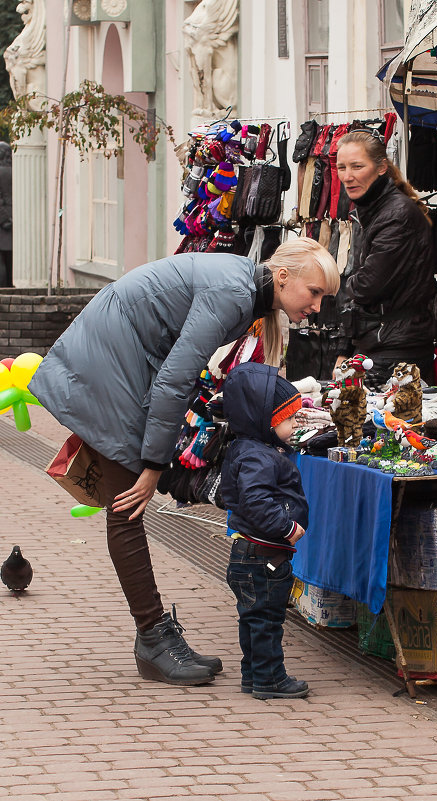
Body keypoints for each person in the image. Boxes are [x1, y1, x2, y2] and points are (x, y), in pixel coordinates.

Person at [29, 238, 339, 687]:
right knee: (129, 503)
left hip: (118, 356)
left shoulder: (245, 287)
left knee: (129, 499)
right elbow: (174, 378)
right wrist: (155, 464)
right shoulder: (235, 294)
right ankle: (152, 639)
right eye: (314, 293)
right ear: (284, 277)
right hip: (112, 365)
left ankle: (154, 637)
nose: (316, 306)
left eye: (323, 298)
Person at [221, 361, 309, 699]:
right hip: (263, 556)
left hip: (252, 554)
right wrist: (286, 527)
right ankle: (269, 679)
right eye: (287, 421)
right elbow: (257, 501)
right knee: (266, 620)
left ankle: (253, 674)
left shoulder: (250, 450)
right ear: (264, 421)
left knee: (254, 618)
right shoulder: (258, 457)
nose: (292, 427)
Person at [334, 130, 436, 390]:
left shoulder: (395, 215)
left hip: (395, 352)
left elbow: (366, 285)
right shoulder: (371, 208)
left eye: (357, 166)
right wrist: (344, 349)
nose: (347, 176)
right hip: (380, 345)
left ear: (380, 168)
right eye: (341, 167)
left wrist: (346, 282)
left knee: (388, 428)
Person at [0, 142, 13, 287]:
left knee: (2, 261)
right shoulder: (16, 171)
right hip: (15, 221)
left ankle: (3, 289)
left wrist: (4, 219)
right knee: (11, 260)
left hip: (4, 224)